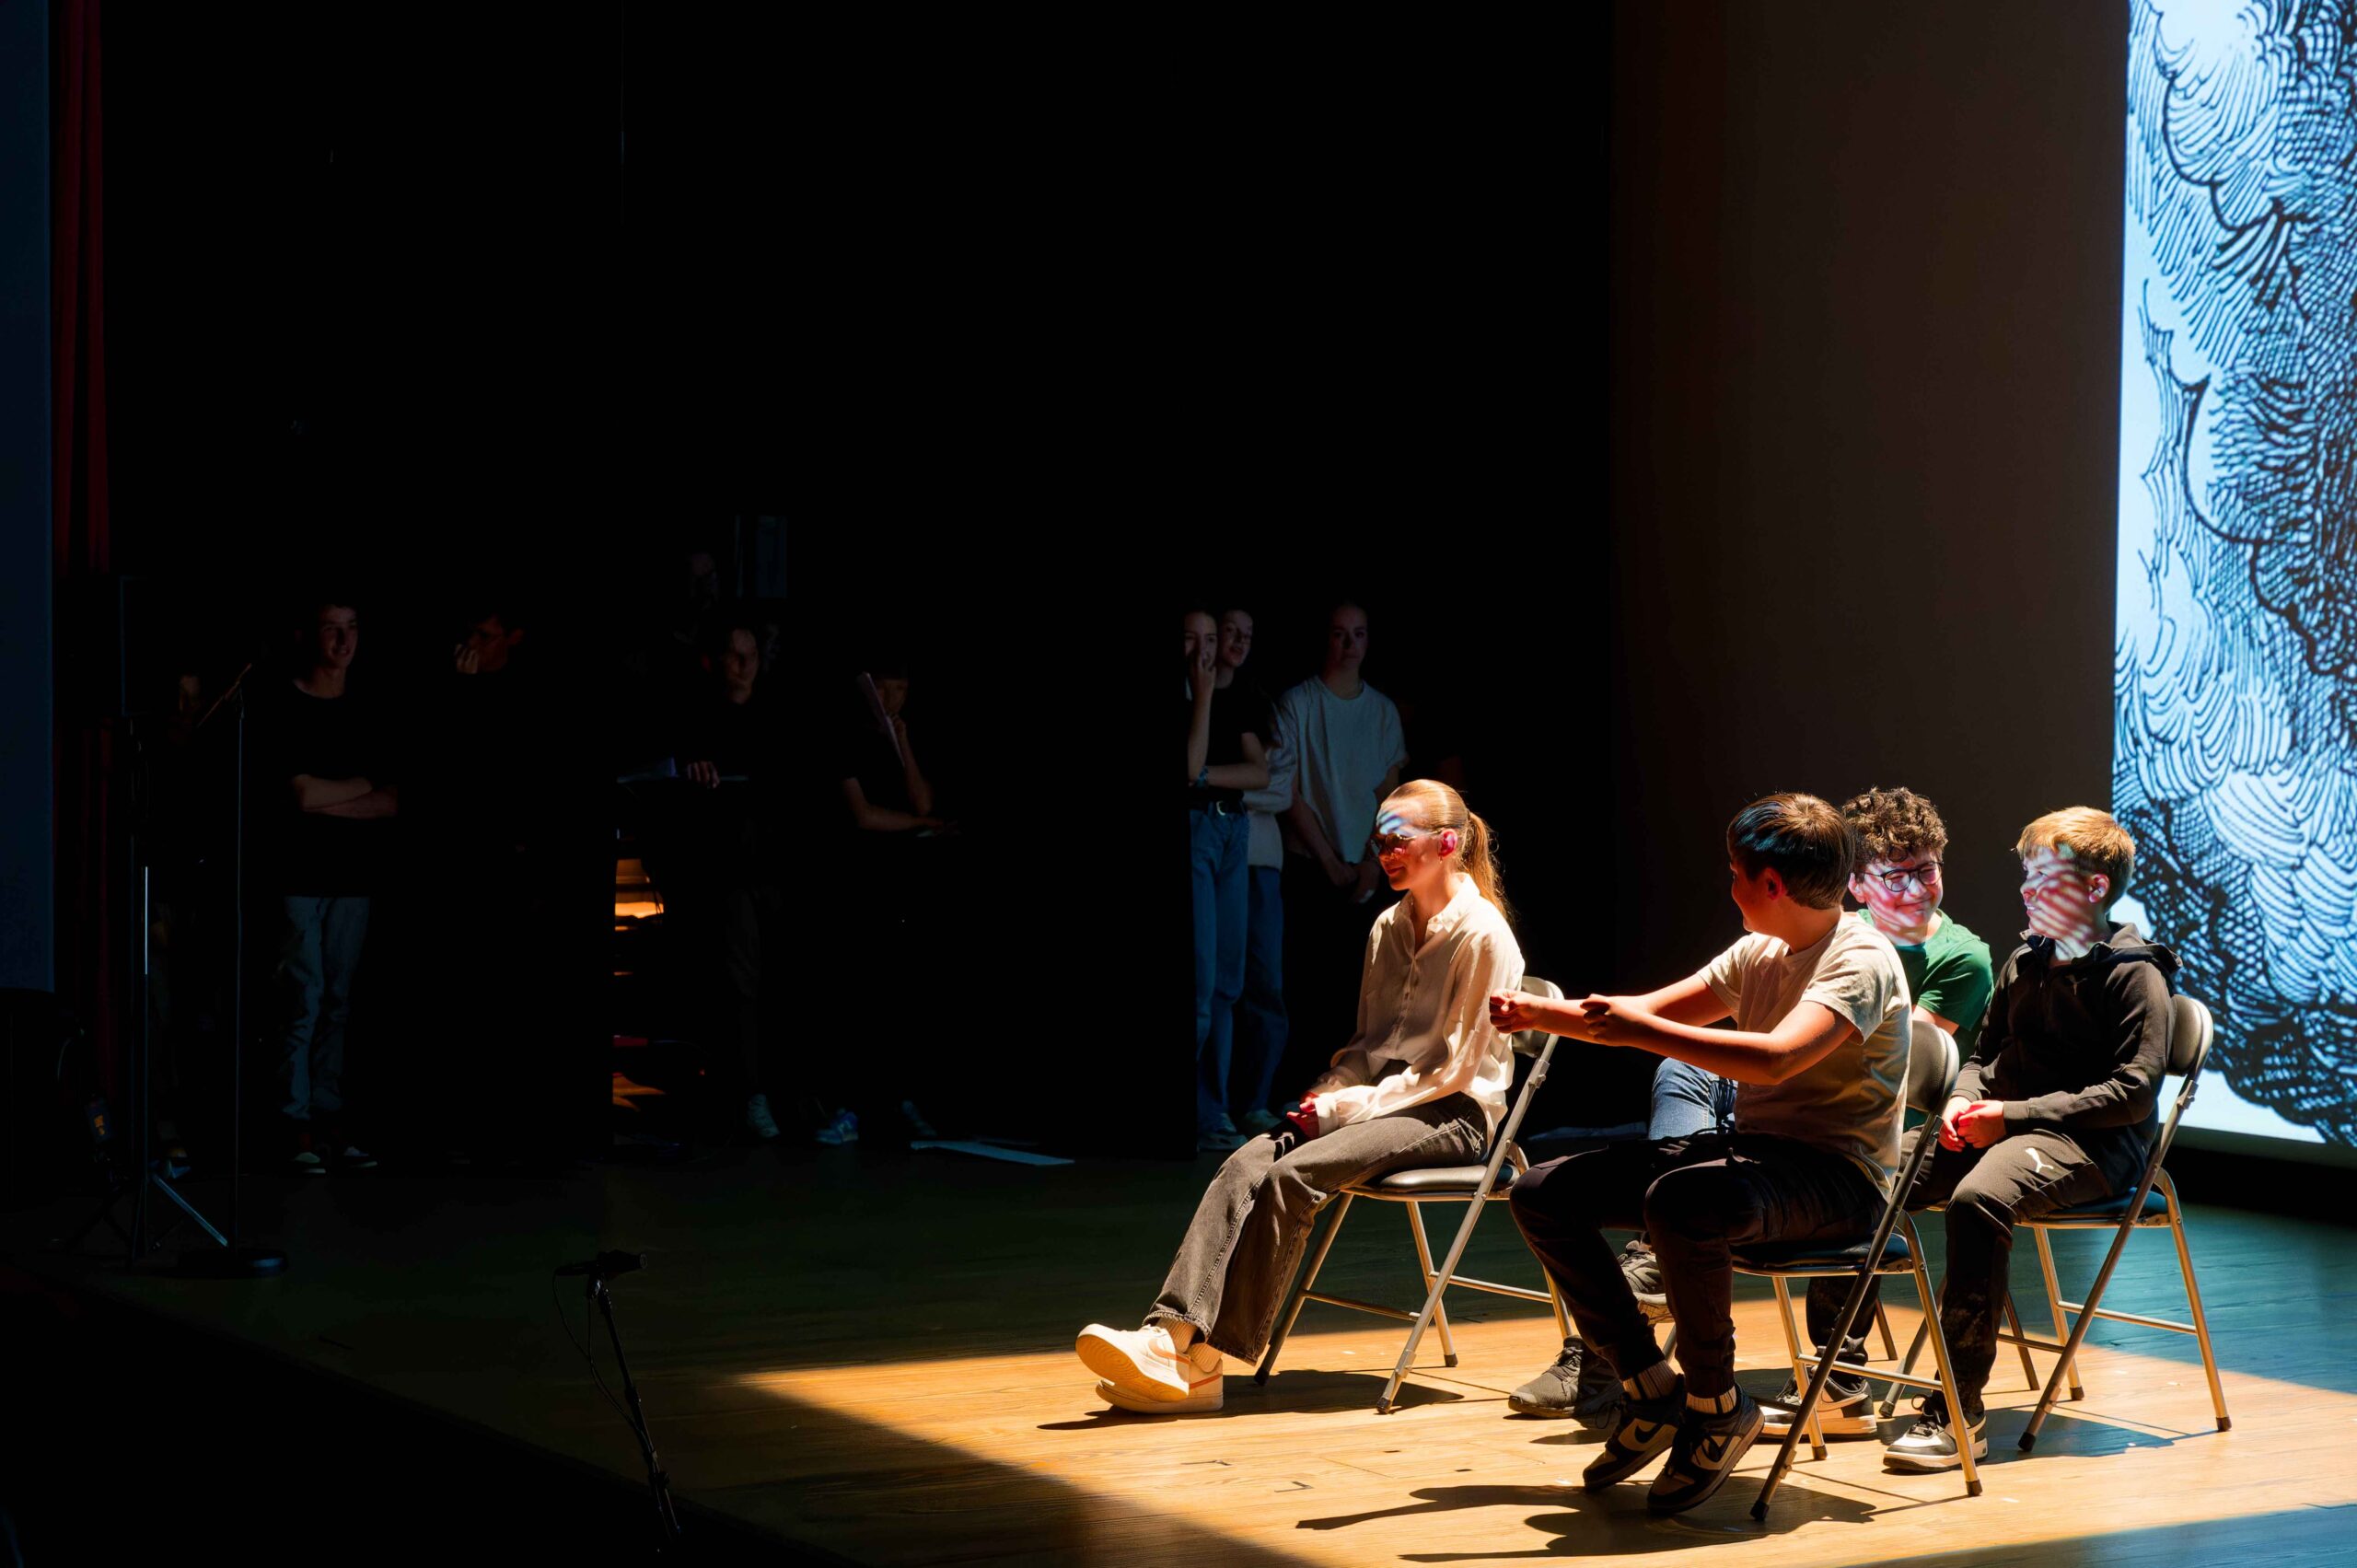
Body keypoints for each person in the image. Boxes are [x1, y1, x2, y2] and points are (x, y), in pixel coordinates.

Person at [1508, 786, 1995, 1430]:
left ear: (1771, 885)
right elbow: (1642, 1012)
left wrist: (1639, 1030)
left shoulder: (1861, 958)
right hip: (1763, 1158)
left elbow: (1775, 1058)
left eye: (1735, 873)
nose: (1730, 886)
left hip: (1841, 1180)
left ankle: (1713, 1405)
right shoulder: (1759, 950)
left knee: (1681, 1201)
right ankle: (1647, 1379)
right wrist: (1537, 1014)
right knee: (1542, 1192)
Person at [1079, 780, 1520, 1415]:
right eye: (1378, 842)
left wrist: (1343, 1110)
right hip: (1382, 1100)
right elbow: (1368, 1045)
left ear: (1447, 844)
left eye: (1398, 839)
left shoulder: (1483, 934)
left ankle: (1206, 1359)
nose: (1385, 853)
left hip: (1451, 1113)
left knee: (1294, 1175)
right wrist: (1330, 1091)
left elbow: (1453, 1073)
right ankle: (1168, 1337)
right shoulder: (1388, 928)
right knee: (1247, 1160)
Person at [1873, 807, 2175, 1470]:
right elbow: (1984, 1057)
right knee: (1875, 1174)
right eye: (2026, 875)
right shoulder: (2025, 961)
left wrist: (2009, 1117)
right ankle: (1835, 1373)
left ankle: (1957, 1411)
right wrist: (1961, 1098)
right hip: (2010, 1126)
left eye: (2043, 877)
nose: (2026, 890)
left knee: (1979, 1199)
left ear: (2094, 888)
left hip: (2098, 1148)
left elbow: (2133, 1092)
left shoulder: (2134, 973)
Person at [262, 594, 398, 1175]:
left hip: (353, 878)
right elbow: (301, 795)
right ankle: (293, 1123)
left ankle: (329, 1116)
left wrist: (328, 799)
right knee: (303, 1000)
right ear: (308, 635)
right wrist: (356, 787)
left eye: (352, 628)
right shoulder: (283, 706)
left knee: (339, 1002)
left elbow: (392, 800)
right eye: (331, 629)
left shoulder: (368, 709)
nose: (344, 642)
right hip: (298, 877)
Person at [1272, 602, 1407, 1106]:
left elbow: (1389, 796)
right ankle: (1299, 1095)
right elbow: (1290, 792)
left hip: (1366, 869)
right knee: (1305, 983)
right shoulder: (1298, 703)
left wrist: (1372, 864)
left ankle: (1349, 1095)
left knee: (1362, 991)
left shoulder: (1382, 711)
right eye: (1339, 634)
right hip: (1311, 867)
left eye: (1359, 634)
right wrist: (1329, 863)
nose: (1349, 645)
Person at [1187, 609, 1270, 1153]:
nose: (1208, 651)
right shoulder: (1195, 695)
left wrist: (1204, 777)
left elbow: (1259, 772)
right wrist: (1202, 694)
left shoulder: (1240, 696)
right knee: (1200, 980)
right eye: (1194, 640)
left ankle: (1212, 1110)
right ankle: (1194, 1110)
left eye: (1212, 639)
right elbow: (1186, 764)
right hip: (1198, 828)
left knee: (1227, 983)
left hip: (1231, 828)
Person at [1217, 609, 1295, 1134]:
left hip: (1260, 860)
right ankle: (1214, 1105)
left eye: (1248, 634)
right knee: (1219, 984)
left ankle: (1254, 1099)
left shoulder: (1263, 705)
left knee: (1264, 984)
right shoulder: (1203, 700)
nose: (1239, 642)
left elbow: (1279, 786)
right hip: (1215, 855)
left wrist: (1221, 788)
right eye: (1231, 632)